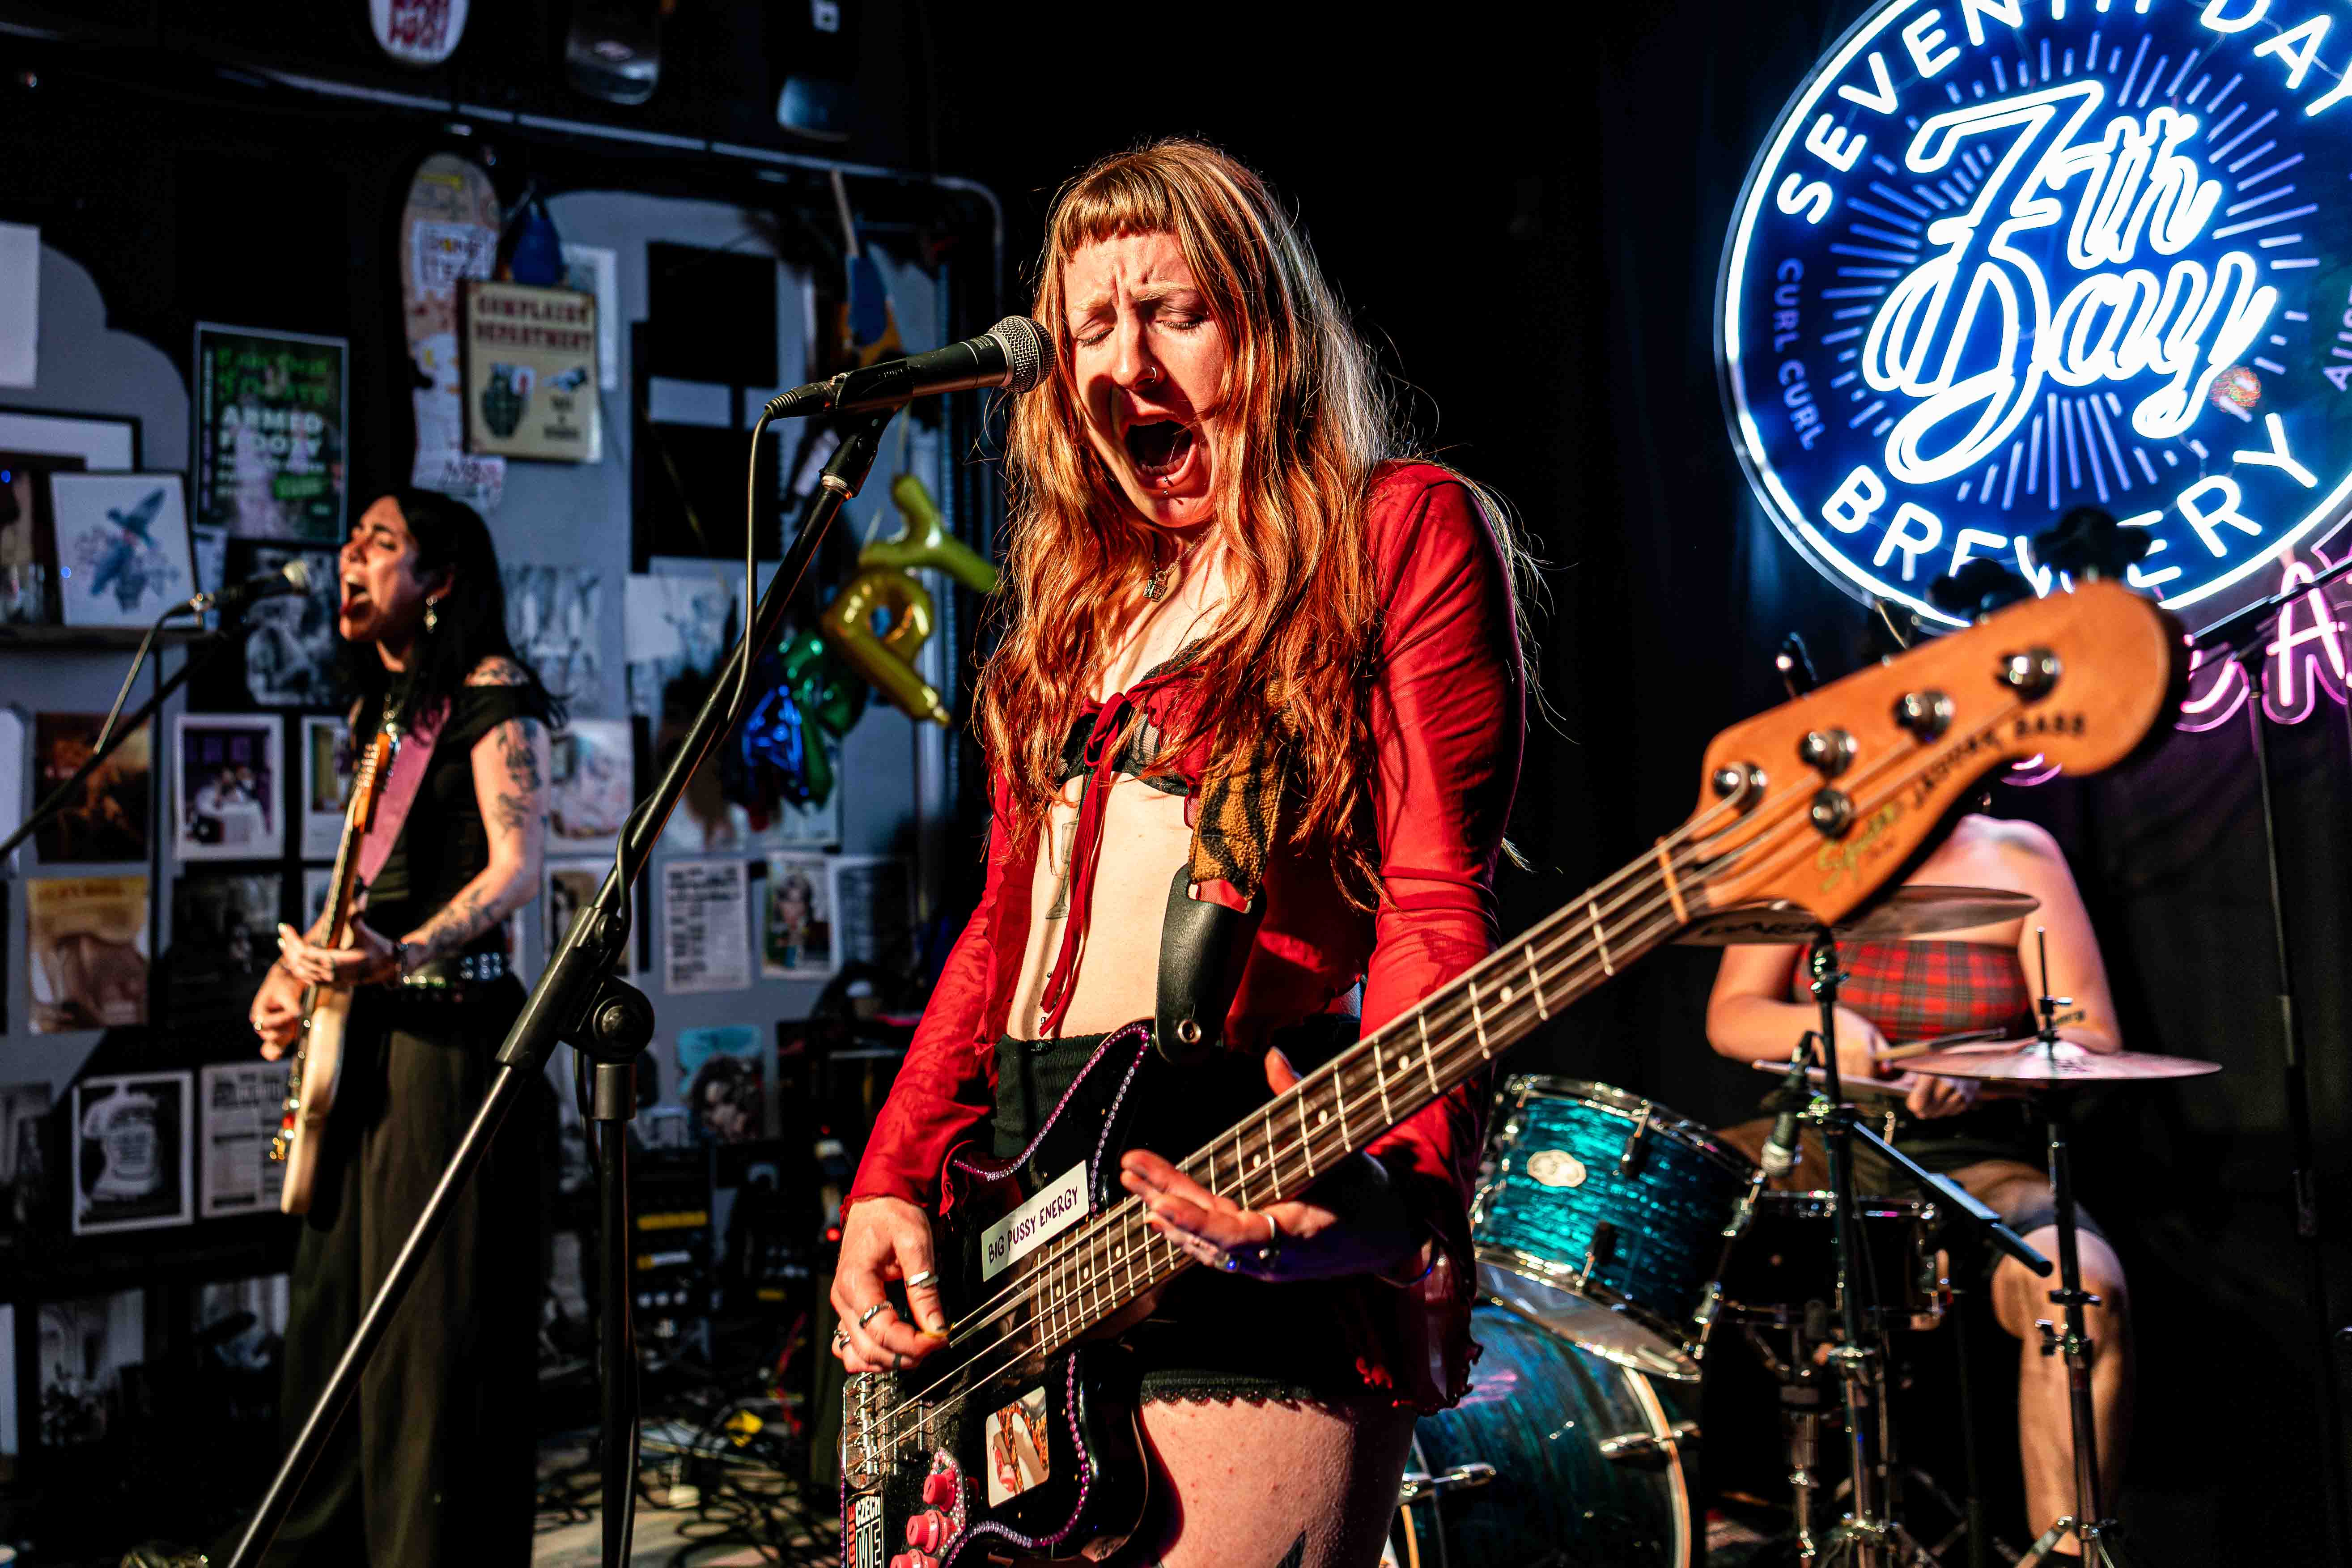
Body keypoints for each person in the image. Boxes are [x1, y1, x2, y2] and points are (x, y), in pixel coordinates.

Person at [828, 139, 1531, 1568]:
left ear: (1265, 330)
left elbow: (1432, 895)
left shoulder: (1394, 531)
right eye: (1088, 328)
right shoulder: (1076, 613)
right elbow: (1001, 933)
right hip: (1021, 1187)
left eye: (1172, 313)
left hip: (1241, 1150)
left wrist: (1395, 1186)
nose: (1120, 359)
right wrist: (892, 1178)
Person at [245, 489, 556, 1567]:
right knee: (335, 1322)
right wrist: (296, 974)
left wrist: (405, 953)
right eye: (353, 541)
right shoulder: (379, 714)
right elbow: (363, 885)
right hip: (365, 1032)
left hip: (450, 1040)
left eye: (381, 544)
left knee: (426, 1339)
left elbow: (521, 869)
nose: (351, 557)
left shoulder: (488, 690)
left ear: (441, 579)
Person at [1706, 810, 2132, 1566]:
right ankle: (1695, 1514)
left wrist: (1980, 1065)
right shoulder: (1800, 843)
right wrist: (1817, 1028)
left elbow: (2090, 1033)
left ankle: (2063, 1554)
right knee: (1658, 1223)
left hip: (1972, 1153)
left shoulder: (2018, 853)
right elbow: (1733, 1014)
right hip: (1820, 1131)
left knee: (2084, 1293)